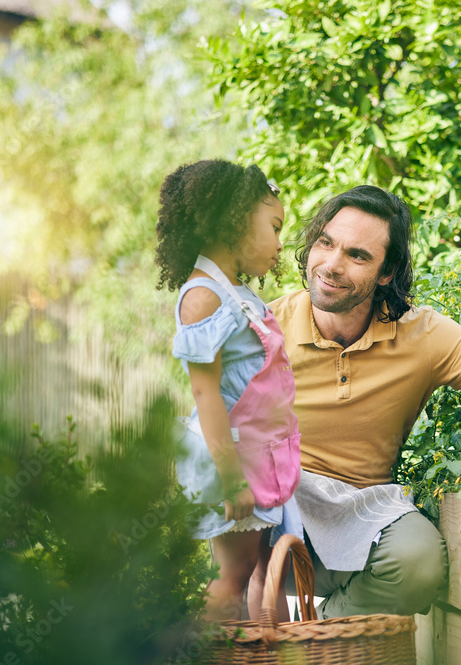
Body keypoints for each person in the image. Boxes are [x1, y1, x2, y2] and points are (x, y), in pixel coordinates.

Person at [247, 184, 461, 620]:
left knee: (418, 562)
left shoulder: (422, 336)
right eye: (325, 243)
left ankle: (323, 636)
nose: (331, 266)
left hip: (361, 514)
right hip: (277, 514)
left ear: (386, 272)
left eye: (357, 256)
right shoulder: (262, 330)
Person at [154, 159, 302, 623]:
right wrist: (231, 478)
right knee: (233, 574)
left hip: (257, 453)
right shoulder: (204, 296)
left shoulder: (235, 293)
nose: (281, 244)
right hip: (232, 460)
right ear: (234, 221)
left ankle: (269, 651)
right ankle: (205, 651)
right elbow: (206, 395)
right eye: (274, 228)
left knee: (263, 572)